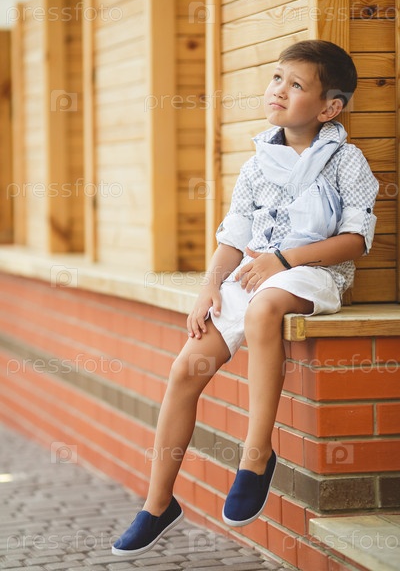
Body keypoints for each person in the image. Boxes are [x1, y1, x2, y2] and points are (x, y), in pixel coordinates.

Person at [112, 39, 379, 556]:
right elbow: (233, 238)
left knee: (265, 308)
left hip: (310, 275)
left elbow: (354, 241)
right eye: (277, 77)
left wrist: (283, 260)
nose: (278, 89)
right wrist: (209, 287)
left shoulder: (346, 160)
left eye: (296, 84)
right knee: (184, 369)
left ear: (329, 108)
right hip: (252, 276)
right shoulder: (257, 165)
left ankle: (256, 455)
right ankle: (158, 503)